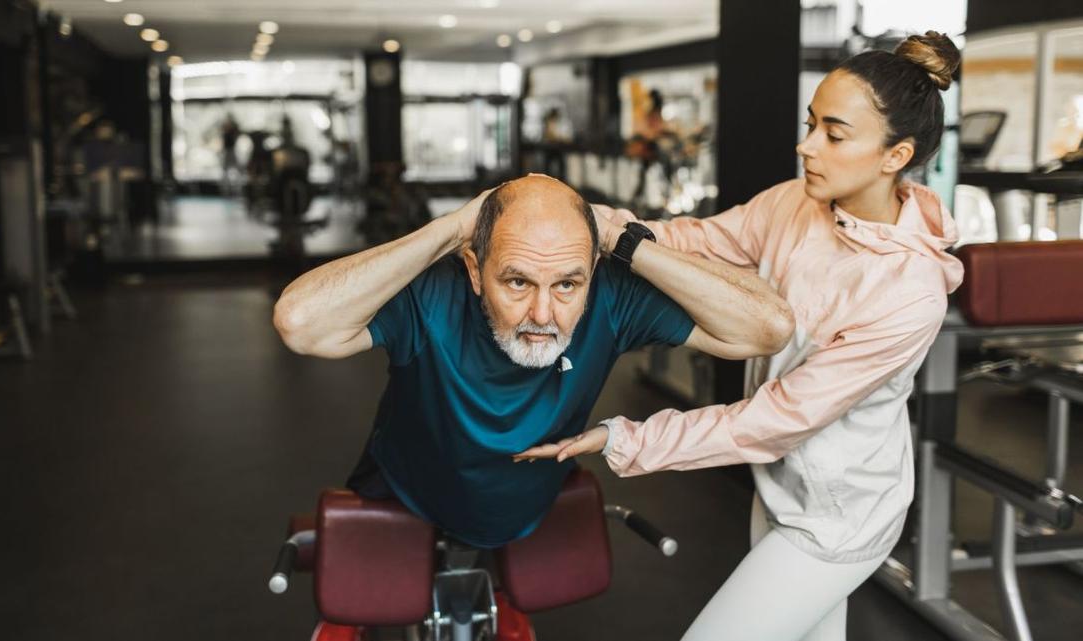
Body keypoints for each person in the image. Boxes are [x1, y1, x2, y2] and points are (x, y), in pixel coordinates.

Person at [515, 32, 965, 641]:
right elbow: (698, 240)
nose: (806, 145)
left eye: (833, 135)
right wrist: (595, 224)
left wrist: (624, 438)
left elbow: (777, 419)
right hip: (778, 484)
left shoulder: (909, 290)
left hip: (840, 516)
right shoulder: (794, 205)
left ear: (895, 156)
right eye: (810, 124)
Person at [273, 174, 793, 550]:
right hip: (407, 493)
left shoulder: (611, 293)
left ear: (591, 268)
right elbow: (300, 323)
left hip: (526, 509)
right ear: (475, 271)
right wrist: (452, 229)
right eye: (517, 281)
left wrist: (620, 239)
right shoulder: (432, 292)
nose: (542, 313)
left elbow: (768, 328)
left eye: (567, 283)